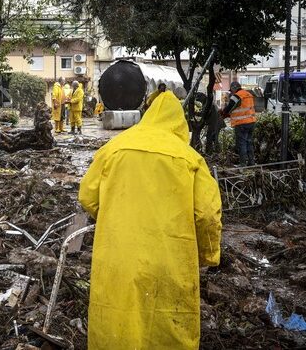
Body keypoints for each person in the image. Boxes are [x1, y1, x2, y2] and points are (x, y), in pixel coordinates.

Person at [79, 91, 222, 349]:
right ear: (179, 123)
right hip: (170, 258)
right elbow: (207, 214)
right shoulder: (189, 158)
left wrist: (115, 219)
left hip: (118, 256)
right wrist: (208, 255)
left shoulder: (113, 148)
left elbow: (87, 197)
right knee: (167, 325)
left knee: (118, 319)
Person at [221, 81, 257, 166]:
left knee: (242, 143)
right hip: (251, 122)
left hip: (241, 123)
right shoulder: (248, 94)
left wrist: (223, 112)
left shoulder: (237, 96)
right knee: (249, 142)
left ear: (234, 88)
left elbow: (229, 107)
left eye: (231, 90)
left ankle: (243, 164)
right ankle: (251, 162)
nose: (231, 92)